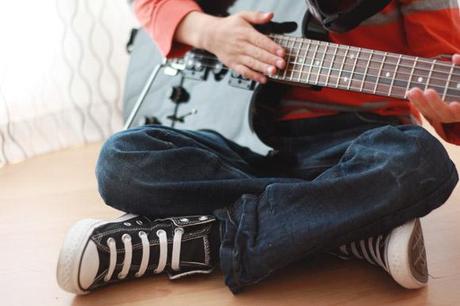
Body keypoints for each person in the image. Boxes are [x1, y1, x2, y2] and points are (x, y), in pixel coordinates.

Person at [56, 0, 460, 295]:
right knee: (122, 160)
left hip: (356, 146)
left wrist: (450, 112)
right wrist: (210, 32)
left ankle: (200, 240)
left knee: (419, 161)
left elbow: (445, 80)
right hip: (241, 147)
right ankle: (341, 232)